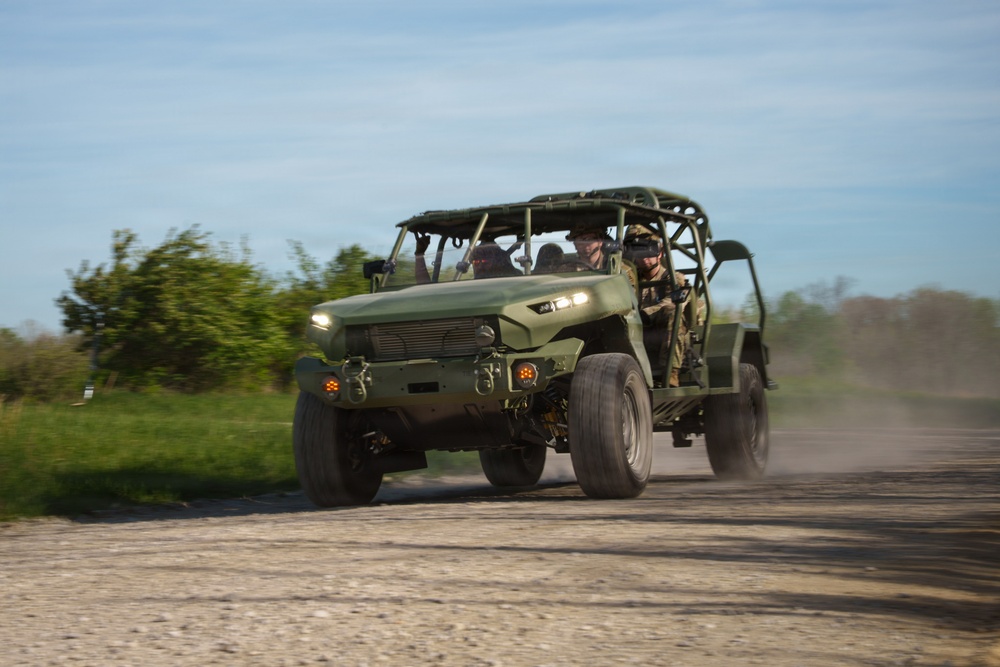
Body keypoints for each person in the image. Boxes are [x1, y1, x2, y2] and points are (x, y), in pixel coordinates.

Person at [624, 226, 690, 387]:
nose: (645, 257)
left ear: (660, 254)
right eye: (639, 251)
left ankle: (671, 374)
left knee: (673, 312)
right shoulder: (629, 279)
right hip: (637, 334)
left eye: (649, 250)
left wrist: (646, 314)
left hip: (665, 335)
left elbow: (676, 301)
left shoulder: (675, 279)